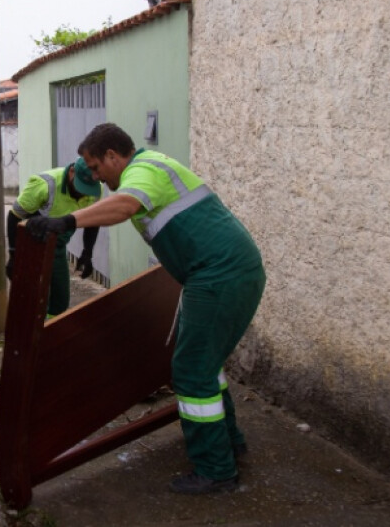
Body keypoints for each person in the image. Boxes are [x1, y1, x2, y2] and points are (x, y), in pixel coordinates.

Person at [26, 123, 266, 495]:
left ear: (112, 156)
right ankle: (227, 443)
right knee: (205, 366)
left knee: (191, 371)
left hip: (219, 276)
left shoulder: (143, 170)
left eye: (94, 166)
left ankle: (216, 471)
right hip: (222, 274)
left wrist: (67, 220)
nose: (93, 175)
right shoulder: (150, 167)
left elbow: (124, 206)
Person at [7, 158, 101, 317]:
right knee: (34, 299)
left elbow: (93, 221)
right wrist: (14, 254)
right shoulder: (44, 185)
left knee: (60, 300)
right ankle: (32, 335)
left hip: (57, 246)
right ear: (71, 172)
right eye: (80, 187)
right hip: (32, 246)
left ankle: (49, 332)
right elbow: (14, 216)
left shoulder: (94, 190)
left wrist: (87, 253)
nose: (83, 193)